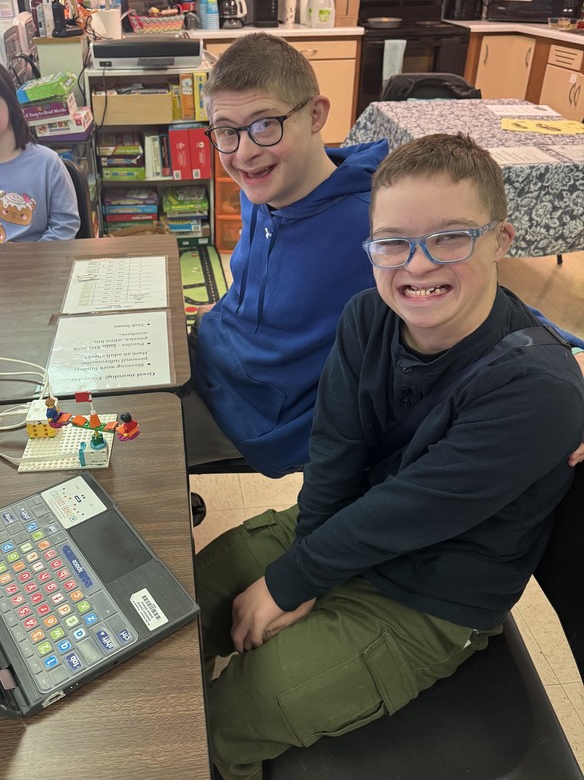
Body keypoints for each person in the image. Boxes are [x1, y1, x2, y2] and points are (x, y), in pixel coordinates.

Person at [195, 133, 584, 780]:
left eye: (452, 237)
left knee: (221, 720)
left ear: (502, 240)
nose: (419, 265)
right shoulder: (365, 317)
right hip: (349, 525)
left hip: (430, 599)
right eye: (393, 241)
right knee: (185, 602)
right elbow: (335, 455)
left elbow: (413, 513)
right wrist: (305, 570)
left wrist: (294, 581)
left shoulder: (536, 390)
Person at [182, 33, 584, 480]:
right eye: (226, 131)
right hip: (209, 357)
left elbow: (488, 301)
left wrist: (572, 375)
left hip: (257, 416)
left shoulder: (374, 224)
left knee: (114, 444)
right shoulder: (262, 188)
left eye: (265, 125)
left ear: (315, 114)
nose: (245, 151)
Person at [0, 65, 80, 243]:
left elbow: (65, 226)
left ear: (9, 100)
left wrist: (32, 262)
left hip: (37, 265)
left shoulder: (47, 164)